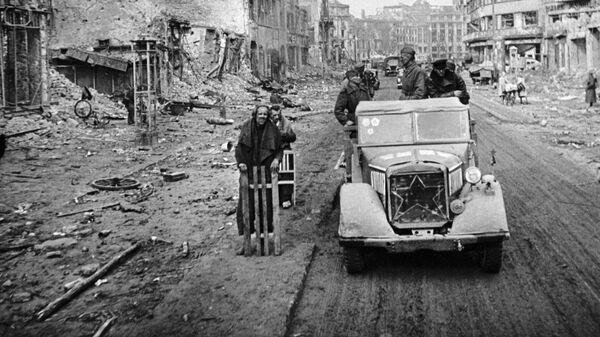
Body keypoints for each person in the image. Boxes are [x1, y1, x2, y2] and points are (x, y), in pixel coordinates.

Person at [235, 105, 283, 255]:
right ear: (255, 114)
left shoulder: (273, 129)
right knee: (245, 207)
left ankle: (263, 239)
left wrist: (276, 159)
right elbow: (240, 148)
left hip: (266, 172)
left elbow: (280, 148)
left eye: (264, 114)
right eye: (260, 114)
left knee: (265, 207)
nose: (262, 116)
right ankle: (246, 241)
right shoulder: (246, 127)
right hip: (248, 172)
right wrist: (241, 162)